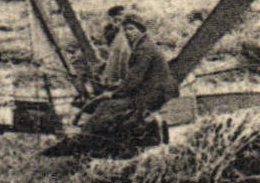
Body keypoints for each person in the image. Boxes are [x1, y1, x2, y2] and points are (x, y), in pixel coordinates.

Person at [49, 16, 177, 156]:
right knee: (111, 106)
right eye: (126, 30)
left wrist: (114, 93)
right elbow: (134, 79)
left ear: (141, 30)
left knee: (107, 106)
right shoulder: (145, 45)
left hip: (153, 94)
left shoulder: (143, 50)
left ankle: (84, 139)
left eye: (132, 29)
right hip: (155, 91)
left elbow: (134, 80)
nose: (128, 33)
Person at [99, 5, 131, 90]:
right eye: (120, 15)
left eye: (123, 15)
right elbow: (108, 40)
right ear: (112, 17)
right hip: (115, 52)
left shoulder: (129, 26)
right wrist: (116, 28)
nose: (122, 17)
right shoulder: (109, 28)